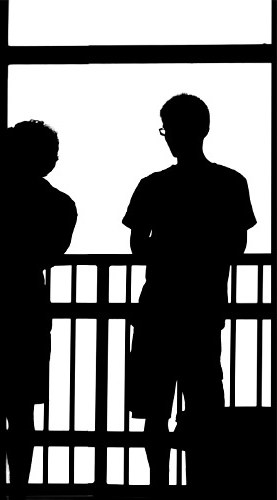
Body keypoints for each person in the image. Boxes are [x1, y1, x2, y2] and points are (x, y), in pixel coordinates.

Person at [123, 94, 255, 494]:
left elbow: (137, 245)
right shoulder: (231, 183)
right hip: (204, 305)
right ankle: (203, 487)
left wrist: (168, 255)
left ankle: (160, 486)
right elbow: (237, 246)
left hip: (160, 306)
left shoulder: (153, 185)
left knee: (155, 406)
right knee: (203, 403)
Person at [0, 120, 77, 500]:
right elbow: (51, 254)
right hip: (27, 305)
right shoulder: (59, 204)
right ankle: (19, 491)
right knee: (22, 407)